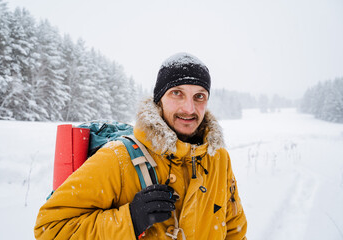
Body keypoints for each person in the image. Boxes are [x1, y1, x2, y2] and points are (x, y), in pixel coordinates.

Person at [34, 52, 247, 239]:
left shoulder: (218, 159)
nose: (189, 108)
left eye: (199, 96)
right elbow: (50, 229)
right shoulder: (118, 158)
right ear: (159, 99)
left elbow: (234, 231)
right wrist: (130, 220)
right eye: (177, 93)